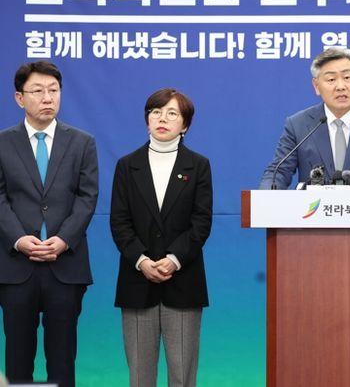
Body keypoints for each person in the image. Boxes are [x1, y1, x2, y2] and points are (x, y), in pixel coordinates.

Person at [0, 61, 99, 387]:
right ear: (19, 98)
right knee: (17, 358)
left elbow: (87, 197)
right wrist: (18, 239)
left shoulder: (82, 142)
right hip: (16, 267)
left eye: (53, 90)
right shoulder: (3, 142)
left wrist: (64, 239)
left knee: (62, 358)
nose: (47, 98)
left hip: (65, 265)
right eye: (38, 91)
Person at [110, 88, 213, 387]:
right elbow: (119, 222)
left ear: (185, 125)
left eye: (172, 113)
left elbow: (201, 222)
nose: (162, 119)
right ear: (147, 120)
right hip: (137, 280)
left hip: (183, 280)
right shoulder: (127, 165)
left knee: (182, 375)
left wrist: (173, 259)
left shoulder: (198, 165)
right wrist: (142, 261)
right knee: (140, 376)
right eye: (156, 112)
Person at [259, 47, 350, 189]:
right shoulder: (298, 125)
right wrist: (263, 198)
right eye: (331, 79)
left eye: (347, 77)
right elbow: (278, 172)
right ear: (316, 85)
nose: (340, 86)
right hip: (314, 207)